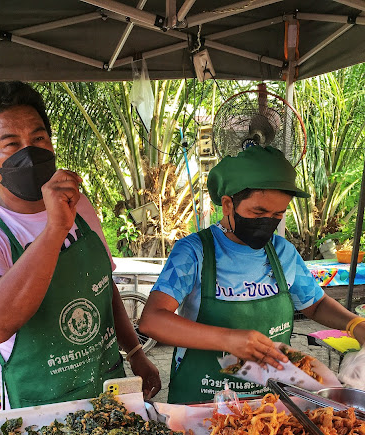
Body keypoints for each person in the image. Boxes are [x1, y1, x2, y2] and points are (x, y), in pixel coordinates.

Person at [0, 81, 160, 409]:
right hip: (39, 408)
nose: (29, 151)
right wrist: (54, 229)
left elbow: (104, 288)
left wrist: (135, 352)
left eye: (38, 138)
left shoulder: (80, 205)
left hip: (107, 386)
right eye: (11, 144)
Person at [139, 145, 365, 404]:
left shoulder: (283, 252)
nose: (268, 221)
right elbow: (152, 320)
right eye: (258, 212)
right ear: (227, 204)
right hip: (202, 401)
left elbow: (316, 304)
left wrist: (354, 324)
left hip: (270, 403)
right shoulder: (193, 252)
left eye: (278, 214)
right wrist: (229, 339)